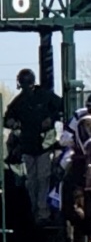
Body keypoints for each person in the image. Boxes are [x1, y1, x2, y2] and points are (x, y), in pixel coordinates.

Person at [3, 68, 63, 224]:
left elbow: (62, 107)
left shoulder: (45, 95)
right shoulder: (20, 101)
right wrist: (13, 123)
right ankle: (34, 211)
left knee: (43, 178)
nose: (25, 88)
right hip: (28, 146)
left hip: (45, 145)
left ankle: (42, 212)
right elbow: (7, 118)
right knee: (32, 180)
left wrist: (52, 118)